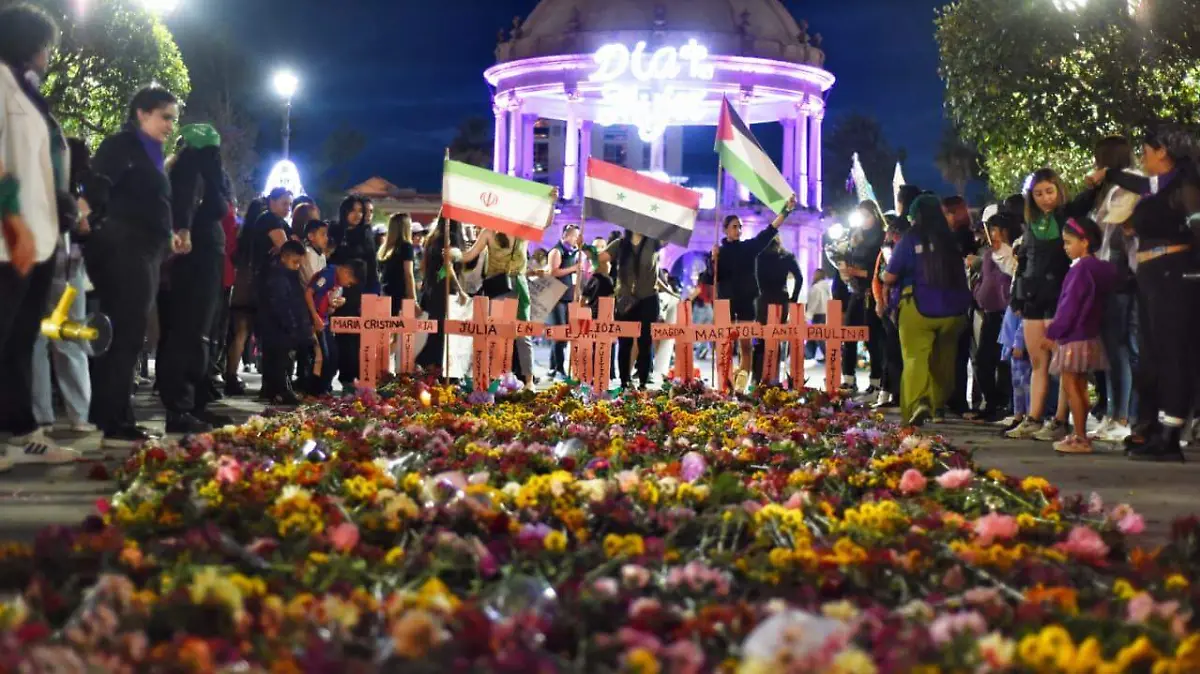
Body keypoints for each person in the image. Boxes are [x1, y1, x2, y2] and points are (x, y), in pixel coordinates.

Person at [0, 4, 84, 466]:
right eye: (47, 43)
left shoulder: (30, 94)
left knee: (20, 337)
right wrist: (13, 221)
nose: (50, 52)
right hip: (11, 237)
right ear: (27, 42)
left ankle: (23, 432)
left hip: (42, 233)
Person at [1091, 125, 1200, 461]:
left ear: (1162, 152)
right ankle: (1152, 431)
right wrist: (1108, 173)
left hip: (1176, 276)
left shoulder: (1186, 186)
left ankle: (1170, 435)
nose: (1142, 157)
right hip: (1152, 278)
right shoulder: (1159, 185)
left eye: (1146, 151)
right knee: (1151, 358)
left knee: (1172, 355)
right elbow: (1137, 183)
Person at [82, 85, 182, 447]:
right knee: (125, 331)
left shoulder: (150, 152)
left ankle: (115, 414)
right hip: (124, 249)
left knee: (130, 332)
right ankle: (111, 419)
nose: (171, 125)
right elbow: (97, 186)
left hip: (146, 250)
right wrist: (86, 219)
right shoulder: (122, 145)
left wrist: (167, 234)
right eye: (165, 117)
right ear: (142, 113)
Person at [155, 124, 234, 434]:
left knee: (201, 333)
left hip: (206, 258)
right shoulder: (190, 169)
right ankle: (180, 408)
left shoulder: (198, 172)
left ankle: (195, 404)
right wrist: (185, 230)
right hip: (196, 259)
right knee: (189, 332)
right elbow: (185, 203)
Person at [1006, 169, 1091, 441]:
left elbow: (1086, 201)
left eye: (1049, 191)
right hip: (1032, 298)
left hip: (1060, 297)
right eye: (1038, 193)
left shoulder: (1068, 216)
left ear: (1059, 190)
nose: (1045, 198)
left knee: (1063, 364)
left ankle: (1059, 421)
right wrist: (1017, 296)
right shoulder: (1030, 223)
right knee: (1037, 361)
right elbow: (1024, 261)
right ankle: (1033, 418)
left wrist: (1097, 180)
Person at [882, 194, 972, 426]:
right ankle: (937, 405)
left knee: (915, 358)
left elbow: (891, 275)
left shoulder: (912, 237)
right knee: (944, 361)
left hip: (918, 307)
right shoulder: (951, 239)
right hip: (954, 311)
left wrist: (884, 279)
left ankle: (917, 403)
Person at [31, 138, 93, 437]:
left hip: (39, 263)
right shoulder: (79, 189)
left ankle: (41, 415)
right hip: (68, 266)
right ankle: (78, 414)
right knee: (68, 339)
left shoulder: (36, 182)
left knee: (38, 341)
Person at [1042, 216, 1116, 454]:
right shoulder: (1099, 268)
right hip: (1091, 334)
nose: (1065, 247)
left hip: (1073, 336)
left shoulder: (1080, 269)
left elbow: (1069, 305)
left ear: (1084, 242)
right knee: (1080, 385)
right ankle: (1080, 433)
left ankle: (1080, 436)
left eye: (1068, 242)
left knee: (1072, 385)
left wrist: (1054, 331)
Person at [1086, 135, 1141, 444]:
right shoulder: (1115, 188)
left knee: (1121, 347)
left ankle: (1124, 417)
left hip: (1123, 274)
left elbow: (1115, 226)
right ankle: (1113, 413)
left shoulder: (1131, 184)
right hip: (1109, 273)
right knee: (1111, 348)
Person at [714, 196, 799, 389]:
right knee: (725, 345)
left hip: (745, 302)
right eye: (734, 226)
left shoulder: (748, 248)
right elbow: (712, 277)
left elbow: (769, 231)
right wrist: (713, 260)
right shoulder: (719, 252)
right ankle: (724, 385)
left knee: (745, 345)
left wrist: (786, 212)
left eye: (740, 226)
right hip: (726, 303)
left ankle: (741, 385)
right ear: (726, 229)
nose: (738, 230)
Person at [223, 187, 291, 395]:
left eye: (289, 204)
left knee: (241, 332)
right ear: (271, 202)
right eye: (284, 203)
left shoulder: (251, 228)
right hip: (262, 285)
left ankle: (231, 376)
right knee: (267, 334)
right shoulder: (271, 220)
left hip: (244, 282)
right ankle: (270, 382)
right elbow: (288, 249)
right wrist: (286, 247)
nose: (287, 208)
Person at [971, 210, 1021, 421]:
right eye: (990, 230)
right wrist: (977, 293)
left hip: (1005, 314)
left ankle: (1005, 405)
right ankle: (991, 402)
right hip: (989, 314)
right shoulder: (988, 254)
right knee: (983, 361)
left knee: (1005, 363)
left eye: (995, 230)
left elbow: (1012, 276)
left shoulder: (1011, 254)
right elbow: (983, 279)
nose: (992, 235)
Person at [839, 201, 886, 397]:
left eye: (866, 215)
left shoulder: (881, 238)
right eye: (860, 216)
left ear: (875, 215)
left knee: (873, 339)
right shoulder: (857, 237)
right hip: (856, 293)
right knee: (848, 334)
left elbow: (878, 270)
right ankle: (849, 379)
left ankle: (876, 382)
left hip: (873, 293)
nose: (864, 220)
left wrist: (855, 271)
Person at [255, 241, 311, 404]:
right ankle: (282, 390)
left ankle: (272, 390)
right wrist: (292, 326)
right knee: (280, 361)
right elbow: (281, 304)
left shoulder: (285, 275)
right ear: (284, 257)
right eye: (295, 262)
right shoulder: (278, 277)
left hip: (277, 326)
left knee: (277, 360)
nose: (298, 266)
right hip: (277, 327)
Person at [942, 195, 979, 415]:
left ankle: (958, 399)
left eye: (947, 212)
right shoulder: (951, 236)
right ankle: (953, 398)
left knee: (959, 353)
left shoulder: (961, 236)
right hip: (955, 298)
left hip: (960, 299)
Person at [306, 258, 364, 395]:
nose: (348, 286)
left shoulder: (337, 281)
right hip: (315, 321)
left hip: (324, 320)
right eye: (349, 282)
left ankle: (324, 389)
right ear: (346, 272)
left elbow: (325, 301)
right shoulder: (328, 275)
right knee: (322, 357)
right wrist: (315, 317)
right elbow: (309, 293)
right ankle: (315, 391)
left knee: (333, 356)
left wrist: (334, 305)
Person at [416, 218, 467, 372]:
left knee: (433, 331)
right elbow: (448, 266)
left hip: (431, 289)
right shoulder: (449, 237)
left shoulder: (432, 237)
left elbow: (424, 266)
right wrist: (460, 290)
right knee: (441, 333)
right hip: (443, 291)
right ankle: (433, 369)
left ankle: (429, 369)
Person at [752, 237, 803, 384]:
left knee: (761, 338)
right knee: (777, 337)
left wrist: (760, 293)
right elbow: (799, 278)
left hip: (764, 299)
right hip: (781, 298)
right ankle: (774, 377)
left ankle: (758, 378)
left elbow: (755, 279)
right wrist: (794, 298)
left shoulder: (759, 257)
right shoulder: (787, 257)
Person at [547, 225, 583, 379]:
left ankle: (554, 367)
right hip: (557, 296)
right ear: (565, 235)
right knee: (559, 333)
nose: (576, 239)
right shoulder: (557, 251)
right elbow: (553, 272)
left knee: (566, 333)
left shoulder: (575, 252)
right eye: (574, 236)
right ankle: (558, 368)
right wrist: (574, 268)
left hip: (569, 296)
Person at [379, 212, 416, 313]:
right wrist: (413, 299)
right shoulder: (406, 247)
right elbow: (408, 274)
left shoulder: (385, 249)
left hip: (386, 293)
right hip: (400, 295)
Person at [804, 269, 832, 361]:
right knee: (818, 336)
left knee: (819, 336)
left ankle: (826, 355)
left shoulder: (816, 288)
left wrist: (807, 316)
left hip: (818, 314)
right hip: (826, 314)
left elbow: (813, 303)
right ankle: (809, 353)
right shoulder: (827, 287)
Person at [300, 220, 328, 286]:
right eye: (323, 234)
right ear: (311, 236)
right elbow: (315, 282)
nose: (326, 238)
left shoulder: (321, 253)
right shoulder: (308, 254)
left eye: (326, 235)